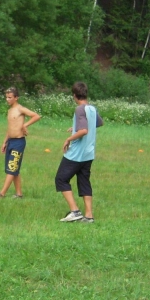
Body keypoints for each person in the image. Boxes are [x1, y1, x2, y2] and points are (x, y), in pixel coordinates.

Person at [54, 82, 103, 223]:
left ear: (74, 95)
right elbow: (99, 123)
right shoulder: (92, 108)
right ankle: (89, 216)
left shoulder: (80, 109)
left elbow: (84, 130)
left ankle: (75, 211)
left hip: (76, 155)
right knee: (84, 181)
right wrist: (75, 127)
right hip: (88, 154)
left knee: (61, 179)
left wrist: (68, 139)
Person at [0, 87, 41, 199]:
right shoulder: (10, 111)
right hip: (11, 141)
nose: (7, 99)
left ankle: (2, 194)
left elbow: (36, 116)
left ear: (16, 98)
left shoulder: (20, 109)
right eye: (6, 97)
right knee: (14, 169)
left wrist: (25, 125)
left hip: (19, 142)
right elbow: (10, 128)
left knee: (11, 168)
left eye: (10, 97)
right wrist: (5, 142)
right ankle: (19, 194)